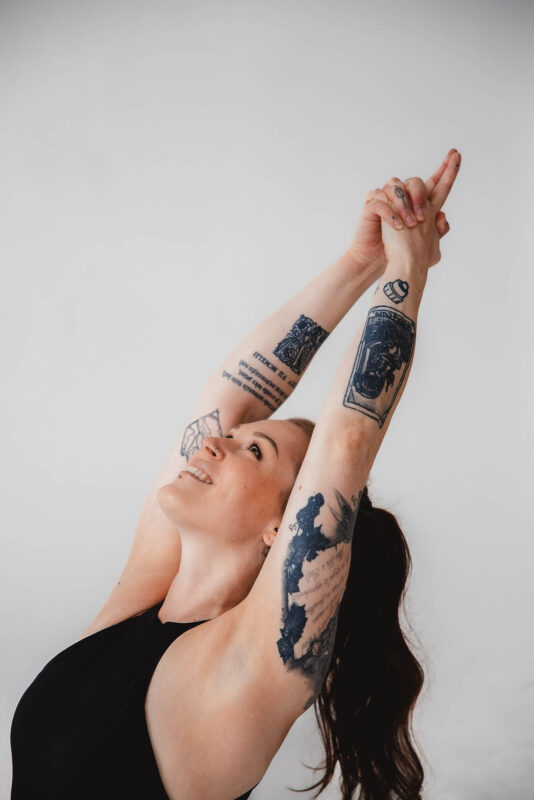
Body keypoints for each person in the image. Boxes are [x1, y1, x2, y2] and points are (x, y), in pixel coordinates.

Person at [10, 149, 461, 800]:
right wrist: (360, 262)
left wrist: (408, 267)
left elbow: (346, 441)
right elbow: (232, 397)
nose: (217, 442)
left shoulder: (253, 666)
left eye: (255, 453)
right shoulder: (142, 600)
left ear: (287, 525)